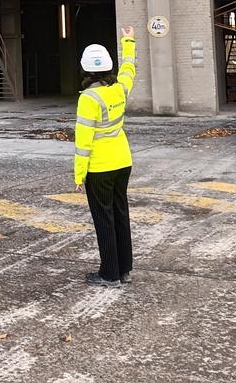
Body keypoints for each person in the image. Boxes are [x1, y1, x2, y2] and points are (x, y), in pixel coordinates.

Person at [74, 26, 137, 288]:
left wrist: (79, 174)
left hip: (100, 167)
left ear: (85, 69)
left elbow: (83, 142)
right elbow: (129, 69)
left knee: (104, 219)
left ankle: (109, 274)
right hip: (123, 161)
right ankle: (124, 269)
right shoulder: (119, 89)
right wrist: (128, 40)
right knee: (121, 214)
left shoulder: (89, 98)